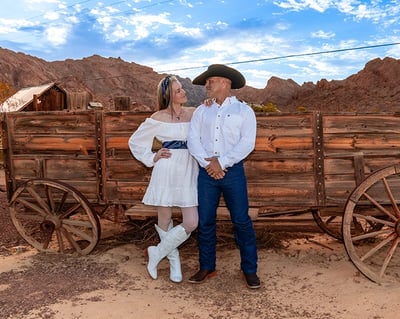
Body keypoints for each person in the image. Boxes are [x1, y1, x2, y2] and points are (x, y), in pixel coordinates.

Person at [187, 64, 260, 289]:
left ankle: (249, 269)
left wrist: (222, 162)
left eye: (211, 81)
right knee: (206, 221)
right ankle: (207, 266)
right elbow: (193, 140)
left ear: (225, 83)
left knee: (241, 220)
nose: (206, 85)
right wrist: (208, 164)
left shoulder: (244, 111)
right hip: (206, 172)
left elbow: (247, 143)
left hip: (233, 172)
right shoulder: (201, 110)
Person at [128, 75, 198, 283]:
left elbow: (211, 117)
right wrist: (152, 157)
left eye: (182, 88)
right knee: (164, 218)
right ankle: (174, 260)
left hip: (188, 169)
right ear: (168, 95)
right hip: (166, 169)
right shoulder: (157, 118)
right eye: (178, 90)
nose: (183, 92)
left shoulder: (193, 113)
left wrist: (210, 104)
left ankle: (156, 253)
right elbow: (135, 142)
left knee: (192, 222)